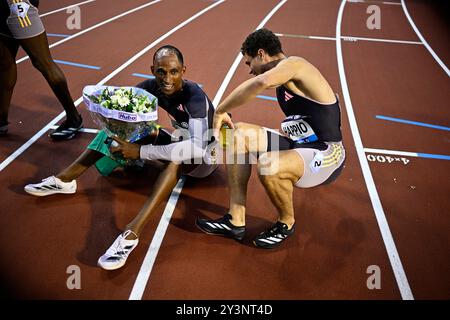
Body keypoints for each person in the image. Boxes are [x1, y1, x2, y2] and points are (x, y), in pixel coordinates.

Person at [25, 45, 217, 270]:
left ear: (183, 70)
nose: (167, 78)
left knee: (177, 157)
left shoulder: (194, 97)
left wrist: (139, 152)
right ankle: (65, 180)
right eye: (161, 72)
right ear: (152, 70)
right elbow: (122, 108)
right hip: (179, 140)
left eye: (173, 72)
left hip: (204, 159)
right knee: (118, 132)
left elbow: (195, 147)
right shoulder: (150, 87)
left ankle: (131, 233)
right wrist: (114, 129)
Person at [196, 28, 345, 249]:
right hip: (302, 146)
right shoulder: (283, 78)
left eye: (248, 63)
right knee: (237, 134)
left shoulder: (296, 65)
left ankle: (286, 222)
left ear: (261, 54)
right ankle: (235, 220)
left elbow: (259, 83)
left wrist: (221, 110)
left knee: (268, 165)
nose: (249, 71)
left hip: (327, 153)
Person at [0, 0, 83, 139]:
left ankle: (74, 118)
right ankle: (1, 120)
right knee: (4, 64)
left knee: (43, 62)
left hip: (17, 4)